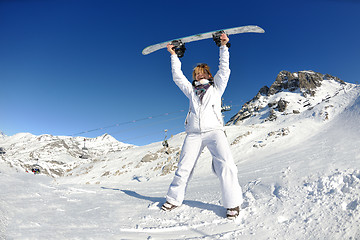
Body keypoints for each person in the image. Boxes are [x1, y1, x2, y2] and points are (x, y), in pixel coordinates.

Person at [162, 33, 243, 219]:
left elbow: (224, 70)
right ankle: (174, 199)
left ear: (208, 74)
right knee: (184, 167)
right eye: (196, 73)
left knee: (226, 165)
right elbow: (177, 77)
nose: (198, 75)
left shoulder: (217, 88)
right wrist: (173, 55)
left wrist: (223, 46)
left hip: (214, 131)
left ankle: (233, 204)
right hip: (193, 134)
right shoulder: (191, 91)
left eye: (201, 72)